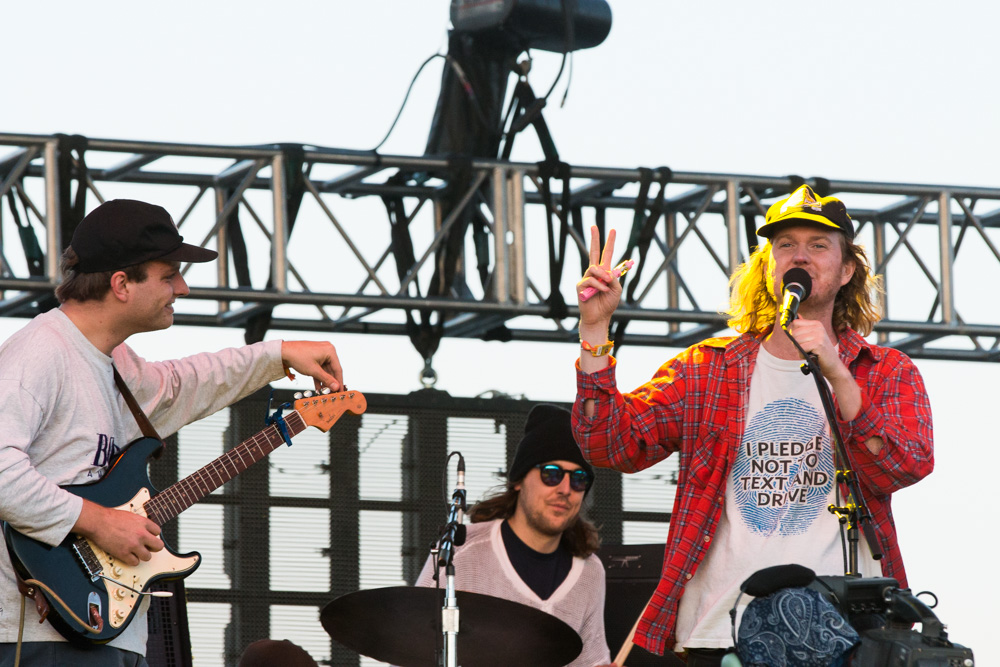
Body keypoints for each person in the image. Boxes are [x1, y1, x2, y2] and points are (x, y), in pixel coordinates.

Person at [572, 185, 934, 666]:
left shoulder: (885, 370)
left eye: (818, 245)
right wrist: (595, 331)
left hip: (844, 635)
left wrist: (839, 374)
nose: (799, 255)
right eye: (785, 245)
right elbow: (610, 446)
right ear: (768, 265)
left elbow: (905, 465)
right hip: (718, 631)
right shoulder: (707, 367)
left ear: (847, 270)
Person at [0, 199, 346, 667]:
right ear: (121, 284)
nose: (182, 288)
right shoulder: (40, 353)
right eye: (169, 276)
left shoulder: (116, 364)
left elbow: (185, 384)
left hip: (114, 632)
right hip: (41, 635)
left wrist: (278, 353)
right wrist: (101, 522)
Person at [415, 404, 617, 667]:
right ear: (519, 480)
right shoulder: (462, 553)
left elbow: (591, 661)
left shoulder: (590, 572)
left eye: (579, 479)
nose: (566, 489)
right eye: (552, 474)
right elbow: (411, 645)